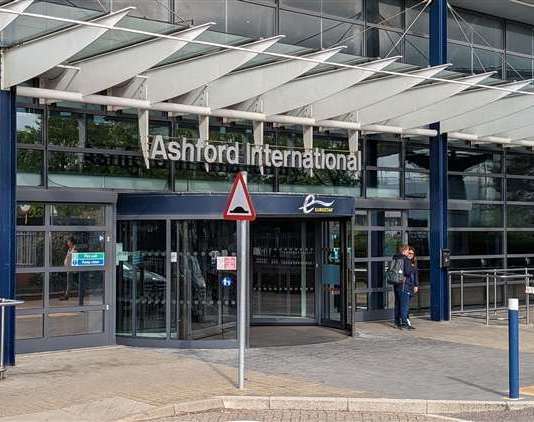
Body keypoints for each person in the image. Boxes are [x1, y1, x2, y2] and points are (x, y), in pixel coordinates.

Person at [392, 245, 418, 329]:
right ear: (404, 251)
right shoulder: (405, 259)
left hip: (396, 284)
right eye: (407, 251)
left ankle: (397, 322)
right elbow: (407, 272)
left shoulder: (395, 258)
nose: (408, 253)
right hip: (404, 285)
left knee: (398, 304)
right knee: (404, 305)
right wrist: (413, 267)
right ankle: (404, 323)